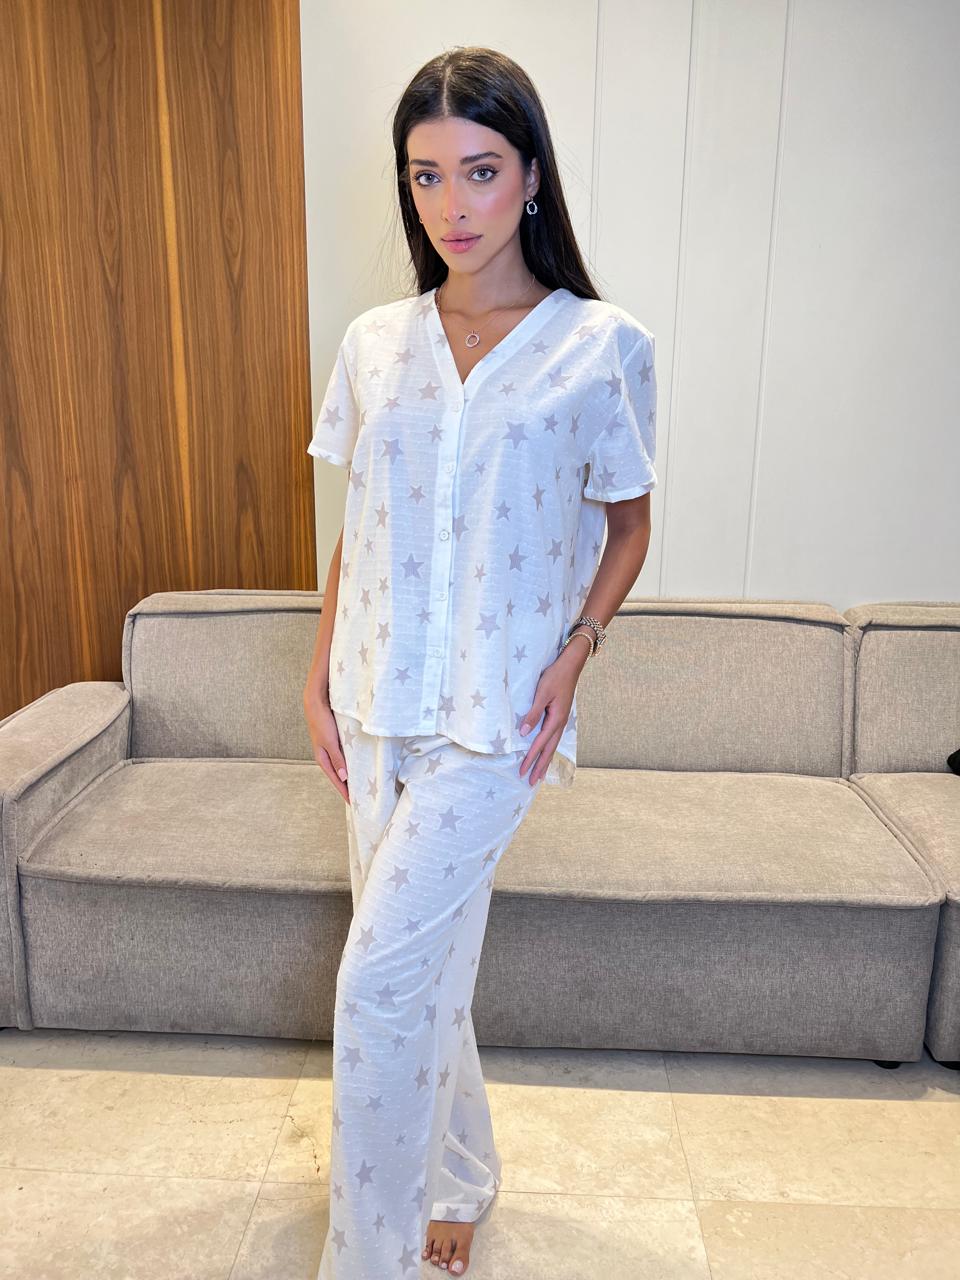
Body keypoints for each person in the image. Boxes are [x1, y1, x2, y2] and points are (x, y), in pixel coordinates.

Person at [303, 45, 658, 1279]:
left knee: (376, 986)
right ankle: (458, 1170)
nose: (454, 206)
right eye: (427, 176)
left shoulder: (601, 346)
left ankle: (370, 1255)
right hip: (374, 703)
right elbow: (364, 522)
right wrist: (318, 673)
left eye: (482, 171)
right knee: (429, 968)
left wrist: (579, 651)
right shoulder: (373, 343)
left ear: (532, 178)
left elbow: (629, 523)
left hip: (498, 722)